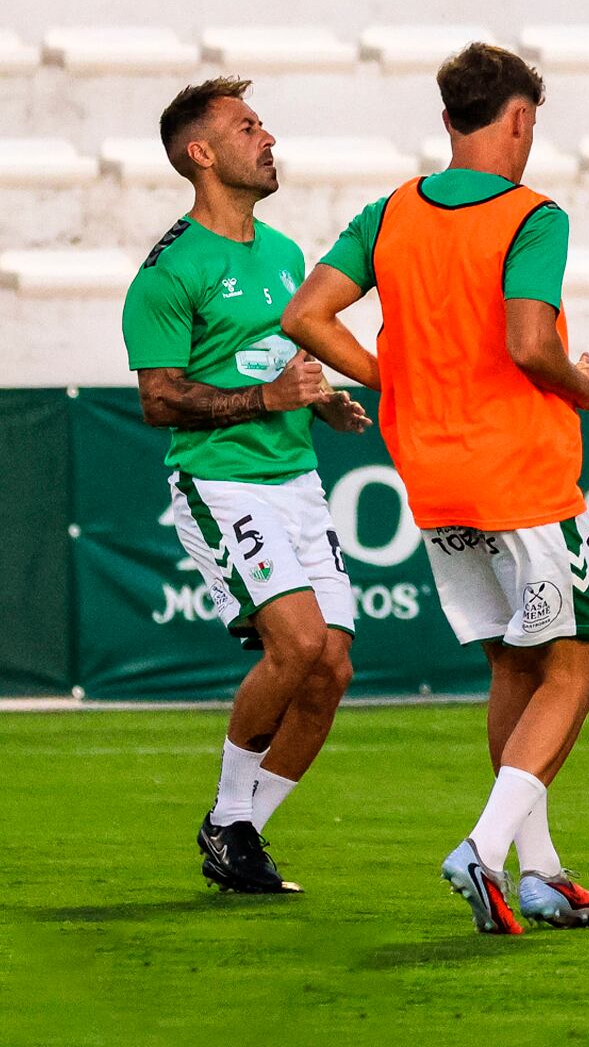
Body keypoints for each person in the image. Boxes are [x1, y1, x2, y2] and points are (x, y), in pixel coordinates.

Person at [282, 43, 589, 935]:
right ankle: (484, 847)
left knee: (514, 661)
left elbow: (304, 316)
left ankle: (539, 872)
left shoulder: (390, 212)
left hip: (432, 474)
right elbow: (529, 342)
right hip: (522, 476)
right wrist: (583, 385)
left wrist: (396, 378)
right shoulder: (531, 216)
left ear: (447, 121)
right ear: (518, 120)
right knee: (578, 666)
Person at [122, 77, 366, 895]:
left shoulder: (287, 253)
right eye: (248, 127)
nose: (268, 139)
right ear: (201, 153)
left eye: (263, 125)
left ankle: (241, 835)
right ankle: (228, 820)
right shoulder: (169, 271)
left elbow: (284, 366)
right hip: (221, 484)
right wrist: (266, 399)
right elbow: (159, 398)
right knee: (295, 643)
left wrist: (321, 401)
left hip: (296, 479)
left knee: (331, 668)